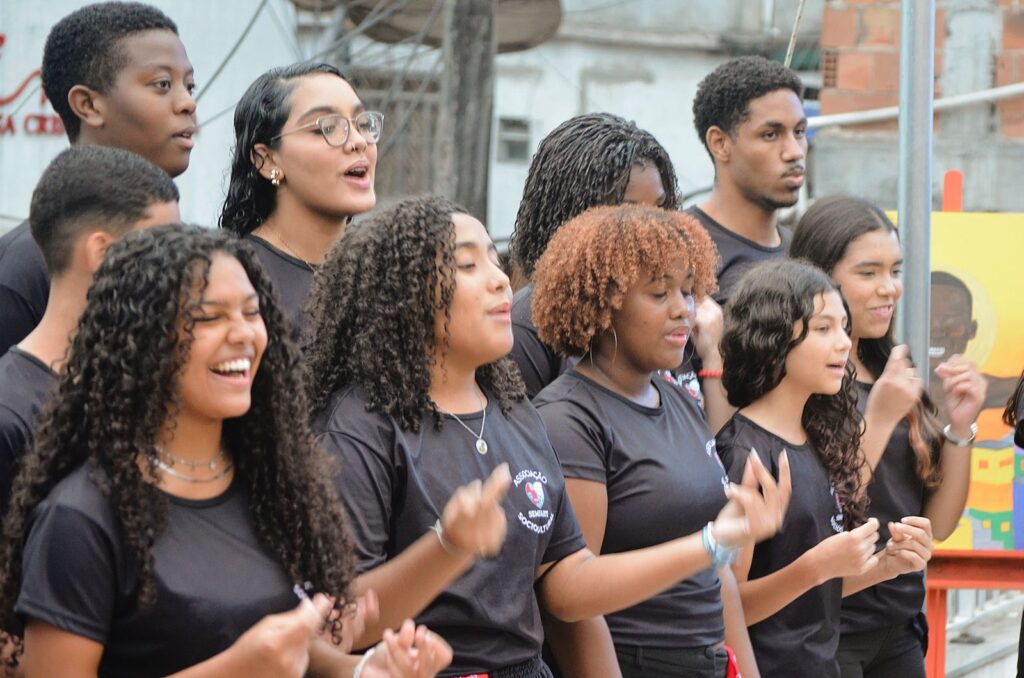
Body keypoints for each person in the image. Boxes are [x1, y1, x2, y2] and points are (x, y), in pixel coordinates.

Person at [305, 196, 789, 677]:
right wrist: (447, 546)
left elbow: (567, 585)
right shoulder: (359, 426)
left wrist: (713, 542)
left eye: (495, 260)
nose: (499, 278)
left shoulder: (515, 414)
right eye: (467, 264)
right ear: (401, 291)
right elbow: (342, 623)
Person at [0, 226, 451, 678]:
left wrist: (363, 671)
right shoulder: (81, 519)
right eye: (208, 317)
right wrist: (237, 668)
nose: (243, 334)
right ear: (140, 341)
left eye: (252, 313)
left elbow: (294, 651)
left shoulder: (278, 489)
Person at [531, 204, 781, 678]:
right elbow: (573, 602)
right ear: (604, 306)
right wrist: (710, 543)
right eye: (659, 293)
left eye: (688, 291)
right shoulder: (569, 418)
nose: (682, 310)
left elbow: (716, 574)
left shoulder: (680, 401)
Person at [791, 196, 989, 677]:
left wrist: (960, 427)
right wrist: (877, 419)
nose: (889, 288)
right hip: (828, 633)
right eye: (868, 272)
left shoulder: (894, 367)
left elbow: (936, 525)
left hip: (899, 625)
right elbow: (820, 516)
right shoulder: (802, 375)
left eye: (895, 270)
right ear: (820, 277)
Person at [716, 259, 933, 678]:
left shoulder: (817, 442)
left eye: (843, 327)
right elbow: (730, 606)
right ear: (773, 339)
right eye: (823, 328)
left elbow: (817, 594)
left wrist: (888, 563)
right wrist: (816, 565)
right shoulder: (745, 454)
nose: (843, 344)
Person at [0, 1, 196, 354]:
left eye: (189, 86)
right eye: (163, 84)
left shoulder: (192, 249)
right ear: (88, 105)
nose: (187, 103)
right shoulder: (23, 269)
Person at [0, 146, 180, 517]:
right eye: (166, 249)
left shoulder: (137, 390)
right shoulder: (8, 415)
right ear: (103, 252)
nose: (180, 270)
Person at [505, 113, 680, 399]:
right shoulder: (526, 328)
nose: (654, 227)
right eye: (629, 211)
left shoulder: (672, 308)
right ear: (572, 215)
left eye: (660, 207)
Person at [220, 62, 381, 335]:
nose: (358, 141)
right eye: (327, 128)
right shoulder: (234, 276)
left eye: (363, 123)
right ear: (267, 159)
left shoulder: (388, 272)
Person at [689, 56, 806, 304]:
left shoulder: (804, 252)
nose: (795, 151)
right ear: (720, 143)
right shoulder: (680, 251)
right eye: (771, 135)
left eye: (799, 132)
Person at [929, 271, 1017, 413]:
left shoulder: (978, 387)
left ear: (972, 330)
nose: (936, 332)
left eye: (951, 325)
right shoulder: (885, 384)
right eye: (924, 323)